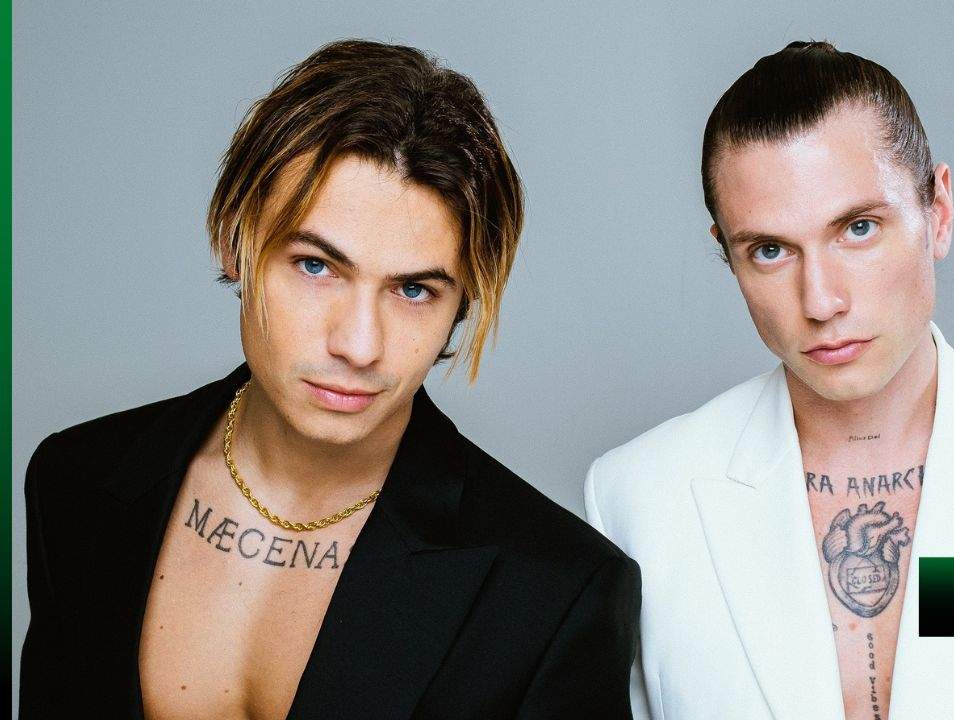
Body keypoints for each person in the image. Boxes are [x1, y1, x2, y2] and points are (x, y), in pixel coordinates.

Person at [21, 40, 639, 720]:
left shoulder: (552, 589)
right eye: (316, 266)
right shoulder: (78, 482)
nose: (359, 345)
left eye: (413, 290)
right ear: (233, 240)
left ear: (462, 303)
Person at [585, 41, 954, 720]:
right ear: (728, 256)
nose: (821, 301)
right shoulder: (639, 499)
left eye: (859, 228)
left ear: (939, 213)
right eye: (771, 250)